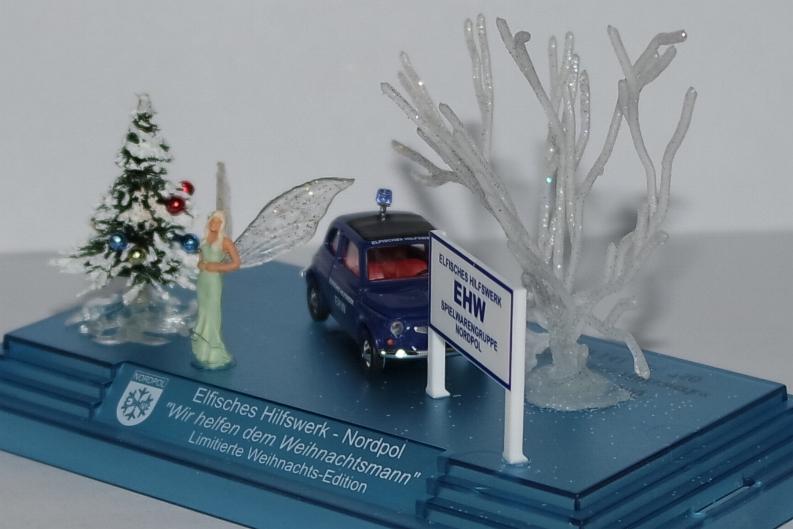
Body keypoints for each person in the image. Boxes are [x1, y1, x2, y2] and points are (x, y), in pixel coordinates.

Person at [191, 210, 240, 369]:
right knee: (203, 312)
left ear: (222, 224)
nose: (215, 224)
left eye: (219, 222)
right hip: (203, 280)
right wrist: (201, 264)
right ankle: (202, 351)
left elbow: (236, 264)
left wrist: (217, 267)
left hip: (213, 282)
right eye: (213, 220)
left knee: (213, 314)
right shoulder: (204, 240)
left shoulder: (225, 242)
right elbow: (200, 260)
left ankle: (215, 353)